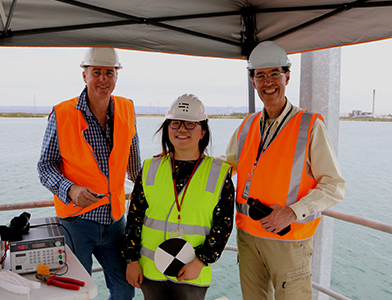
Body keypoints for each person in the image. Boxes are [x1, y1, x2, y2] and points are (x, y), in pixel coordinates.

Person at [223, 41, 346, 300]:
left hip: (289, 239)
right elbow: (224, 166)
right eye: (260, 75)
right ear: (253, 81)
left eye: (275, 74)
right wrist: (181, 161)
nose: (268, 82)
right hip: (248, 237)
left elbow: (333, 186)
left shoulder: (310, 126)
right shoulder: (247, 125)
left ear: (287, 76)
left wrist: (292, 212)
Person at [37, 47, 141, 300]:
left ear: (117, 75)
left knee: (125, 289)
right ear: (85, 75)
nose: (103, 79)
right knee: (78, 292)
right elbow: (45, 167)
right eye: (96, 72)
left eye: (109, 72)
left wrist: (153, 182)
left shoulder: (127, 108)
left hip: (116, 220)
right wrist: (70, 189)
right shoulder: (62, 114)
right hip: (76, 223)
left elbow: (134, 164)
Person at [122, 94, 234, 300]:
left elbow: (223, 226)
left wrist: (200, 261)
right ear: (167, 129)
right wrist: (131, 260)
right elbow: (134, 219)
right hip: (150, 270)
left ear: (203, 131)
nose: (182, 130)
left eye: (190, 124)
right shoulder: (149, 168)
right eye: (175, 124)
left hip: (191, 272)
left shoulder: (219, 174)